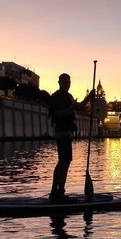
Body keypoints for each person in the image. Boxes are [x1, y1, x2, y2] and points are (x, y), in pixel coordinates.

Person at [48, 73, 94, 201]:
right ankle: (59, 193)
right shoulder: (57, 97)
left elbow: (79, 108)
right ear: (59, 82)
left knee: (62, 162)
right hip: (62, 132)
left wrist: (89, 97)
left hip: (66, 132)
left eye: (69, 82)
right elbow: (59, 114)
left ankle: (54, 192)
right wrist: (71, 108)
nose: (67, 84)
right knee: (64, 162)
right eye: (65, 82)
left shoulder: (68, 96)